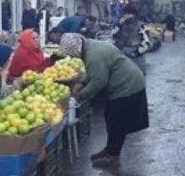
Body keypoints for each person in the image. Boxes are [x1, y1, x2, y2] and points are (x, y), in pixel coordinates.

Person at [60, 33, 148, 167]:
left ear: (76, 50)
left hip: (127, 86)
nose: (72, 58)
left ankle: (113, 156)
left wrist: (80, 95)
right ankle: (110, 150)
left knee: (117, 122)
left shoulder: (93, 55)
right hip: (125, 83)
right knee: (110, 117)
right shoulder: (89, 45)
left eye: (72, 55)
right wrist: (82, 82)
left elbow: (98, 81)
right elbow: (94, 72)